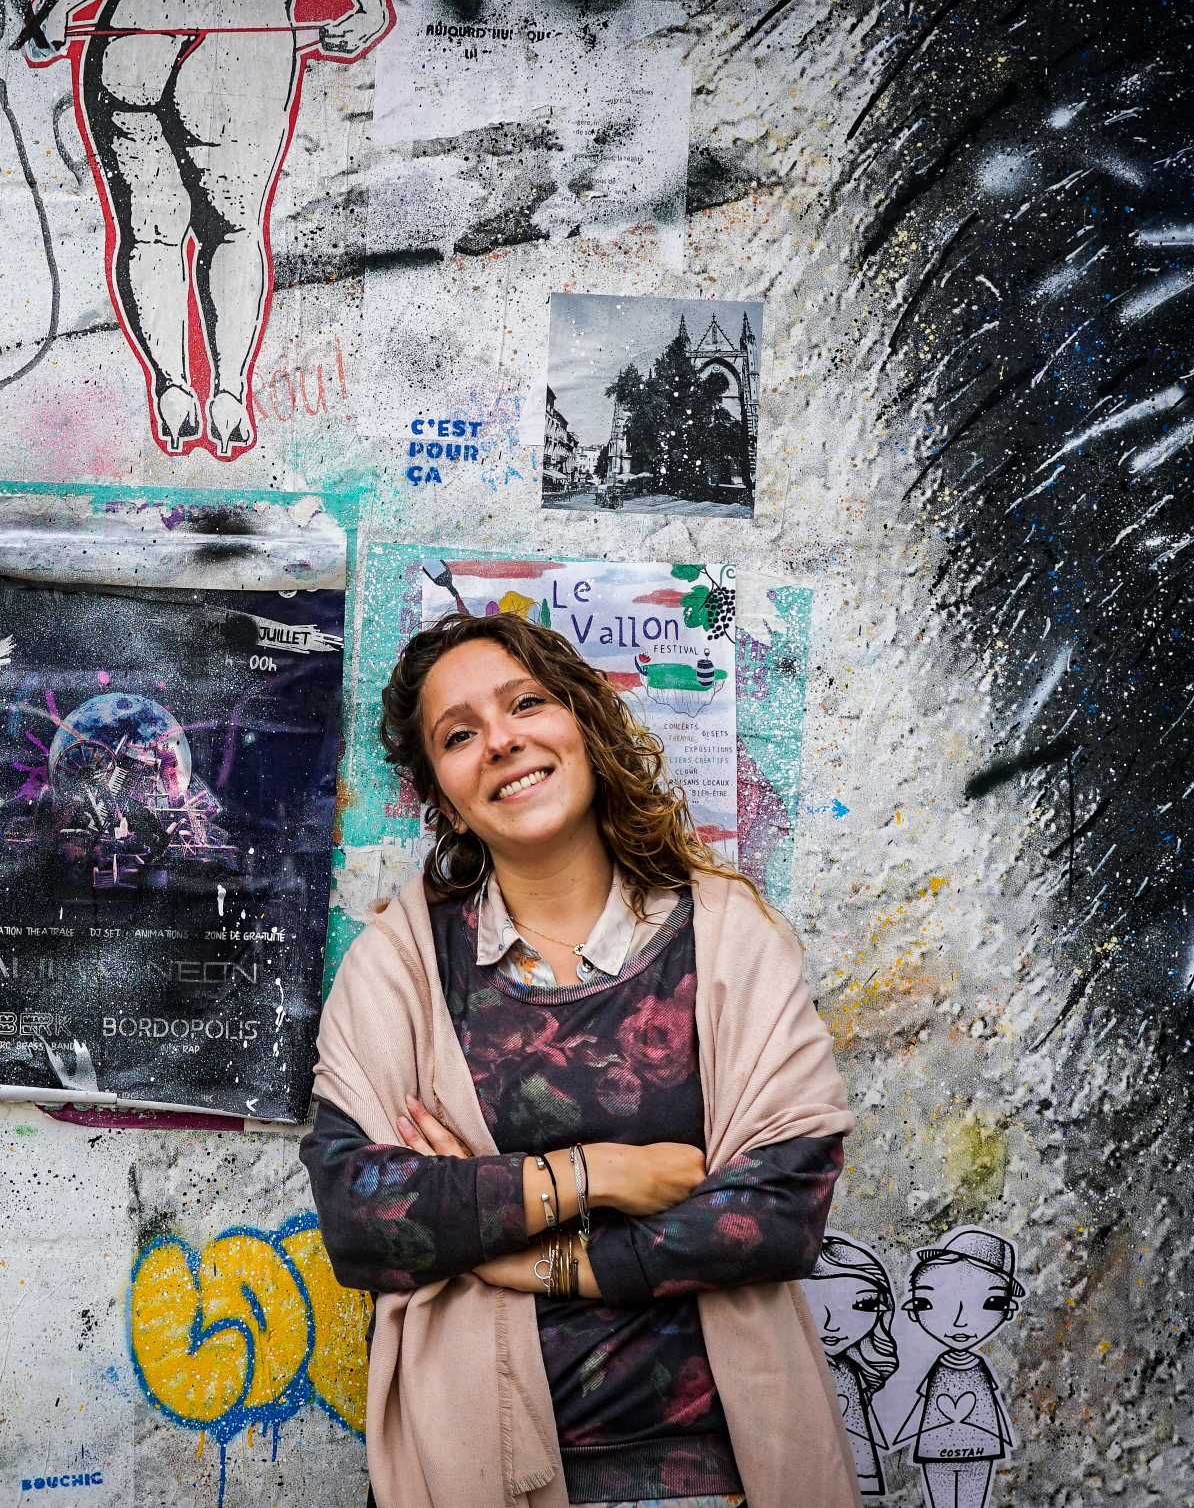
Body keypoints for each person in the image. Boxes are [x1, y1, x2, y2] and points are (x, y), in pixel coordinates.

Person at [301, 610, 860, 1508]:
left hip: (720, 1474)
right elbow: (361, 1216)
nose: (500, 741)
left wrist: (519, 1252)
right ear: (444, 798)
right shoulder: (400, 967)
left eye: (526, 703)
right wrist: (596, 1174)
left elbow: (783, 1206)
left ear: (586, 724)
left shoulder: (726, 938)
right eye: (458, 735)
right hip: (479, 1468)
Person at [27, 0, 393, 459]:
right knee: (233, 231)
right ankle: (229, 396)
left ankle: (172, 389)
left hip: (136, 30)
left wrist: (60, 1)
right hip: (242, 37)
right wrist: (369, 9)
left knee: (149, 235)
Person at [889, 1228, 1021, 1508]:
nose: (960, 1321)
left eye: (991, 1302)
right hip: (936, 1445)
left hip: (980, 1445)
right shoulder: (937, 1368)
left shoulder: (980, 1368)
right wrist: (905, 1434)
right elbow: (923, 1404)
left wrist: (1002, 1436)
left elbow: (992, 1405)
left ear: (1008, 1308)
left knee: (974, 1499)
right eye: (927, 1302)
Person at [805, 1234, 900, 1497]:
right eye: (809, 1302)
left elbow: (860, 1449)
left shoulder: (849, 1371)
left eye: (862, 1304)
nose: (831, 1324)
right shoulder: (799, 1370)